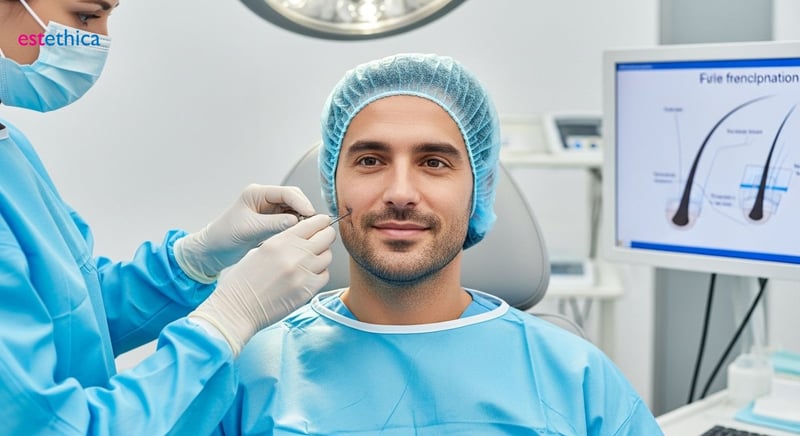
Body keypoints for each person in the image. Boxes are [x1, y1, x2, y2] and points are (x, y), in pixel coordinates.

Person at [216, 53, 664, 435]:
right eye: (370, 160)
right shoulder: (252, 374)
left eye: (434, 162)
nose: (401, 192)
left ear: (478, 189)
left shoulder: (575, 376)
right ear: (333, 187)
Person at [0, 1, 336, 434]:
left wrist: (192, 261)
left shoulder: (10, 149)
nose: (98, 40)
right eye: (84, 16)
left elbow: (67, 310)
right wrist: (225, 322)